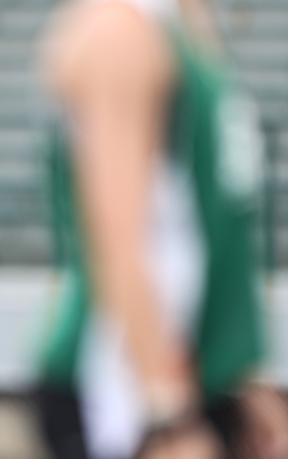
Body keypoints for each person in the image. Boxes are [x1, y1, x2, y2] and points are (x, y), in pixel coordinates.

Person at [34, 1, 288, 458]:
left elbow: (204, 222)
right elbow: (118, 233)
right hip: (126, 387)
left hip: (196, 373)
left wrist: (242, 375)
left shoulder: (184, 24)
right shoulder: (120, 31)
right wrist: (166, 412)